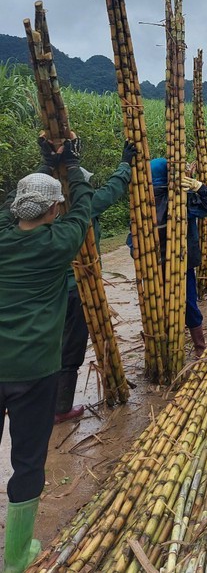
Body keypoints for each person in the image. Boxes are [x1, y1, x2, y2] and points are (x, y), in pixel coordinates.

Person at [0, 136, 92, 573]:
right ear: (54, 210)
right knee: (28, 460)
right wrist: (69, 167)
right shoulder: (59, 245)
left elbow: (10, 210)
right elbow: (84, 208)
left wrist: (44, 164)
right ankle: (17, 556)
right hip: (35, 371)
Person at [38, 140, 136, 423]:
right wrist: (125, 164)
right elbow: (111, 191)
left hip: (50, 290)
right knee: (71, 348)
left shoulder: (43, 211)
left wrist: (49, 163)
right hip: (77, 289)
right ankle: (60, 408)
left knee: (51, 345)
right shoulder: (81, 208)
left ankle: (41, 400)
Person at [150, 158, 207, 356]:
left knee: (187, 304)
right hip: (158, 265)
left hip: (181, 262)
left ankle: (199, 347)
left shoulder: (180, 200)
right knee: (161, 305)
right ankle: (165, 347)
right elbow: (132, 237)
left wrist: (199, 188)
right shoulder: (144, 203)